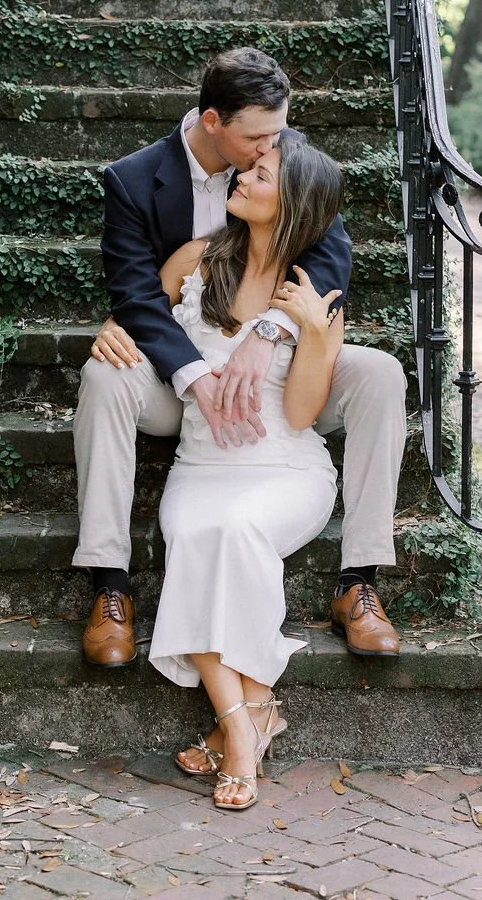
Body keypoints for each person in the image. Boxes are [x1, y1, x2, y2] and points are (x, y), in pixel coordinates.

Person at [72, 46, 408, 682]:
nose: (267, 152)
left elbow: (331, 254)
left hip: (285, 366)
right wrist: (195, 375)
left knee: (381, 373)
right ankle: (108, 585)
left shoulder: (280, 152)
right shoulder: (135, 181)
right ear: (211, 123)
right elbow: (140, 297)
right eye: (256, 139)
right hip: (184, 375)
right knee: (103, 374)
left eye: (275, 137)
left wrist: (271, 329)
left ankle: (359, 579)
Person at [149, 140, 342, 810]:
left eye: (261, 175)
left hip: (284, 468)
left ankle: (234, 739)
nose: (243, 176)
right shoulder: (196, 261)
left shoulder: (313, 292)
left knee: (232, 529)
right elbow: (141, 319)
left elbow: (301, 410)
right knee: (194, 531)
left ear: (292, 205)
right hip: (201, 465)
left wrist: (312, 333)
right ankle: (253, 714)